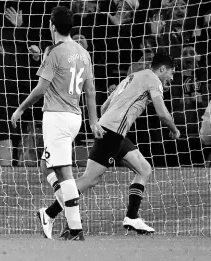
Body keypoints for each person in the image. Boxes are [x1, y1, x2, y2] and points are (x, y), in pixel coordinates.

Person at [39, 53, 180, 238]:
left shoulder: (134, 76)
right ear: (162, 69)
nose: (171, 78)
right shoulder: (153, 80)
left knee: (144, 169)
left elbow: (105, 106)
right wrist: (175, 130)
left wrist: (108, 122)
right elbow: (162, 113)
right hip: (112, 132)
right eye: (171, 73)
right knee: (90, 179)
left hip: (113, 130)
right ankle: (49, 214)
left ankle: (131, 217)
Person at [11, 6, 102, 241]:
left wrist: (21, 108)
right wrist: (93, 121)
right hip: (75, 118)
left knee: (65, 173)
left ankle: (75, 230)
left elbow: (41, 88)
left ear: (52, 26)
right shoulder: (83, 53)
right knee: (46, 165)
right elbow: (90, 91)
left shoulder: (54, 52)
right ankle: (49, 215)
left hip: (56, 117)